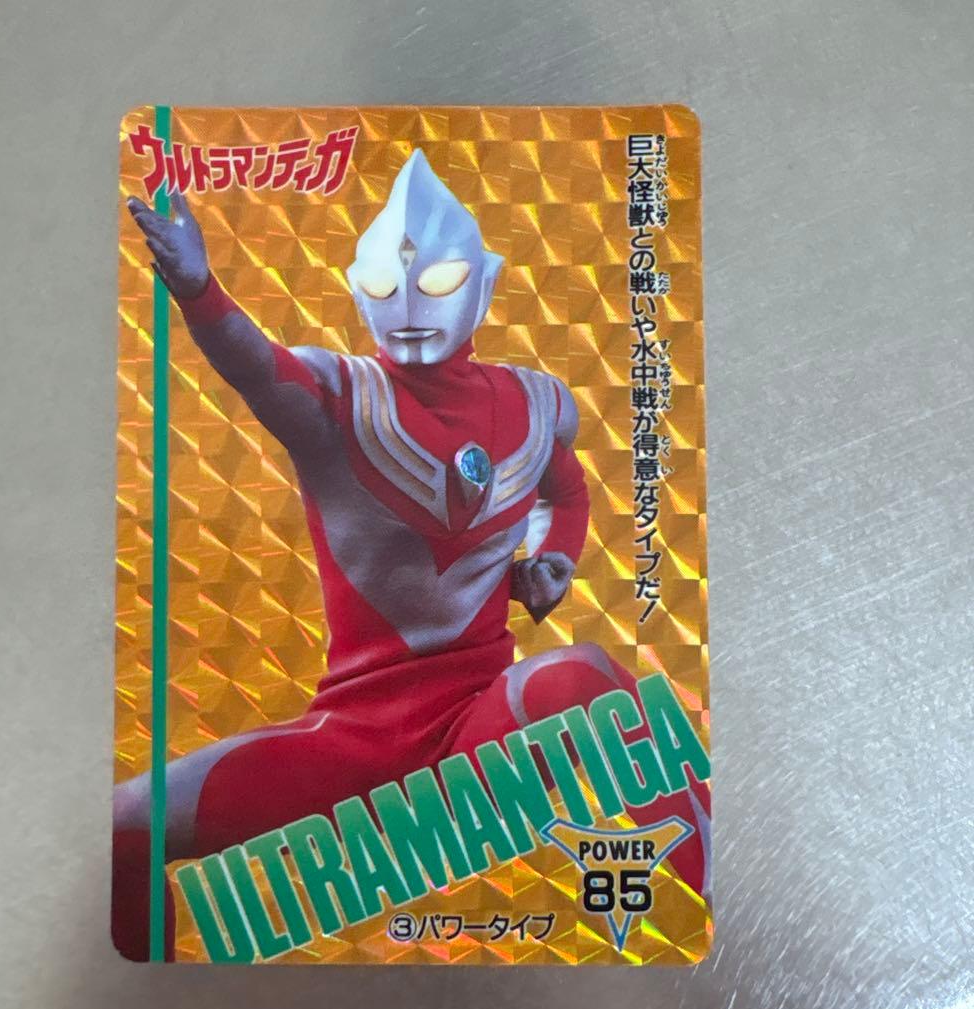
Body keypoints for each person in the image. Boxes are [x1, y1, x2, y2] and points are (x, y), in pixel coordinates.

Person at [114, 149, 709, 960]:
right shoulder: (336, 396)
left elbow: (565, 493)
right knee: (124, 826)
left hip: (478, 724)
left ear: (484, 284)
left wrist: (552, 562)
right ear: (358, 290)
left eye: (438, 281)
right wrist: (199, 289)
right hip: (350, 741)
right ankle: (148, 1005)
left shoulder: (539, 404)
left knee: (583, 678)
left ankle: (718, 915)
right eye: (384, 286)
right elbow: (256, 365)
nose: (409, 307)